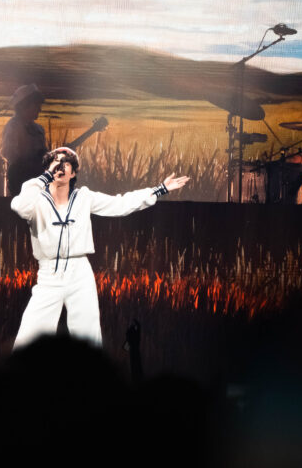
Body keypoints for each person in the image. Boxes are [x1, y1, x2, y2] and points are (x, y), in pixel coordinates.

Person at [10, 146, 189, 349]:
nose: (60, 166)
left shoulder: (83, 197)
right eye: (56, 161)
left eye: (66, 163)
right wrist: (45, 177)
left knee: (88, 335)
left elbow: (120, 204)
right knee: (30, 334)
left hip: (79, 272)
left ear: (73, 173)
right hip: (49, 274)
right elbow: (20, 207)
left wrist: (159, 189)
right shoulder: (36, 200)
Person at [1, 84, 48, 195]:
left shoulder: (39, 129)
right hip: (19, 183)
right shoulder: (13, 127)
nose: (40, 109)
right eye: (36, 105)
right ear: (25, 106)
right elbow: (8, 153)